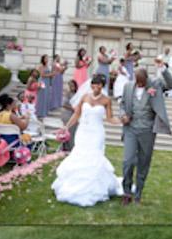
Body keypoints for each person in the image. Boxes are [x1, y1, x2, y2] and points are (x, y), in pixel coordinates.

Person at [52, 75, 124, 207]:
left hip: (96, 133)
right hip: (83, 132)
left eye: (99, 84)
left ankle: (94, 189)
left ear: (103, 86)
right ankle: (74, 186)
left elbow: (109, 118)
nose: (96, 86)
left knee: (94, 159)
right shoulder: (84, 97)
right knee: (80, 157)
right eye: (94, 84)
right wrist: (66, 126)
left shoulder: (106, 100)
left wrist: (121, 122)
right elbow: (76, 114)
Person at [117, 65, 172, 205]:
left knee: (144, 162)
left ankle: (138, 194)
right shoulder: (128, 87)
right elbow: (123, 105)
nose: (140, 85)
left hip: (147, 131)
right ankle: (126, 192)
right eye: (138, 82)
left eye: (142, 82)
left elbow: (171, 85)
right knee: (128, 161)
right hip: (131, 129)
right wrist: (122, 115)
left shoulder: (156, 84)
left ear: (147, 78)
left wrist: (163, 69)